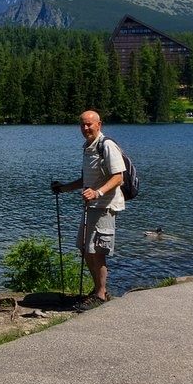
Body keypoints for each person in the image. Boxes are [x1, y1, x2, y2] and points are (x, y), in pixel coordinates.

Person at [51, 110, 125, 304]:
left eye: (89, 124)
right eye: (82, 125)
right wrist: (63, 188)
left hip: (104, 206)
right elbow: (86, 180)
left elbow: (118, 177)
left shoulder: (106, 145)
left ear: (99, 124)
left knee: (96, 251)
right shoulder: (88, 147)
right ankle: (98, 291)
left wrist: (97, 192)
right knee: (85, 249)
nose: (85, 128)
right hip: (91, 206)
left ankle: (100, 295)